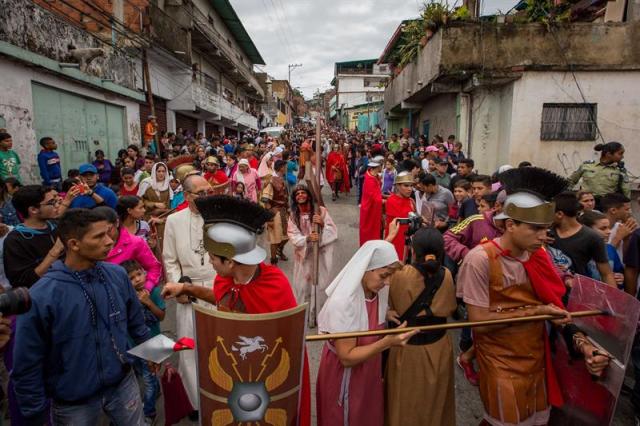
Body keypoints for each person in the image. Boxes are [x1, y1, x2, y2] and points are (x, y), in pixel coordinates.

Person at [457, 167, 610, 426]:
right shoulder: (480, 260)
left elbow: (559, 311)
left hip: (538, 359)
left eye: (547, 228)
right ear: (510, 224)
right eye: (536, 229)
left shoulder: (540, 256)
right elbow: (479, 323)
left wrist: (585, 347)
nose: (544, 236)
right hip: (499, 363)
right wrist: (536, 312)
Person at [162, 195, 311, 425]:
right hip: (231, 378)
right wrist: (186, 287)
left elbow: (284, 341)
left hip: (265, 380)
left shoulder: (274, 285)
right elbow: (223, 301)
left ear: (230, 262)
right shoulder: (226, 280)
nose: (209, 262)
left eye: (213, 258)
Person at [12, 208, 152, 425]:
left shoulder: (116, 275)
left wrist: (150, 352)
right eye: (98, 236)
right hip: (73, 400)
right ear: (74, 244)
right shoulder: (43, 295)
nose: (109, 241)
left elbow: (136, 322)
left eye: (108, 233)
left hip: (123, 383)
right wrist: (36, 414)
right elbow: (27, 362)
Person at [315, 240, 416, 426]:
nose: (387, 282)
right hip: (346, 375)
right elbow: (346, 357)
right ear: (365, 269)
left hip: (368, 369)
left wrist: (385, 312)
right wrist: (387, 342)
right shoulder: (344, 301)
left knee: (367, 414)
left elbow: (368, 310)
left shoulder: (375, 289)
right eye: (384, 275)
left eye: (390, 276)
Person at [386, 228, 457, 426]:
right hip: (439, 346)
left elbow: (391, 303)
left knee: (404, 402)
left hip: (406, 346)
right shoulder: (448, 275)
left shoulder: (399, 274)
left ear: (413, 250)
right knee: (436, 400)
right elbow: (450, 307)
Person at [161, 174, 215, 416]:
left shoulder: (221, 217)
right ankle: (194, 403)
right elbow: (170, 260)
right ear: (187, 195)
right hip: (188, 290)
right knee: (189, 349)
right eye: (200, 194)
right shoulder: (174, 221)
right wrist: (178, 286)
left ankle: (219, 396)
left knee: (219, 346)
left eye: (209, 192)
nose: (206, 198)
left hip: (218, 288)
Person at [120, 259, 165, 423]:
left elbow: (161, 315)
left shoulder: (153, 291)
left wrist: (148, 302)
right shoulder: (125, 297)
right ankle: (156, 389)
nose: (137, 279)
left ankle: (149, 413)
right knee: (142, 374)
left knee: (148, 381)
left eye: (139, 274)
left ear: (144, 272)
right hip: (132, 346)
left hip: (152, 345)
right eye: (132, 278)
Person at [287, 185, 338, 314]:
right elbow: (293, 235)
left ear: (308, 195)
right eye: (297, 194)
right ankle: (302, 312)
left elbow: (333, 231)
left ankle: (317, 312)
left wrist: (321, 224)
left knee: (319, 284)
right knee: (302, 285)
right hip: (303, 256)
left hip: (318, 255)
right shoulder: (293, 215)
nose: (300, 195)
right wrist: (308, 238)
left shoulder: (321, 211)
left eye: (303, 192)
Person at [549, 191, 615, 286]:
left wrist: (612, 298)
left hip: (576, 294)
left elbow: (607, 274)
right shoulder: (546, 232)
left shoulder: (592, 237)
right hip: (548, 293)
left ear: (559, 214)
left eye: (551, 212)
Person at [4, 185, 64, 288]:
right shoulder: (16, 241)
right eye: (51, 203)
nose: (57, 205)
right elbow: (22, 282)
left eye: (56, 201)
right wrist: (55, 251)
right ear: (33, 210)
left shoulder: (55, 225)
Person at [97, 206, 162, 291]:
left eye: (108, 230)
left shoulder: (135, 242)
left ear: (116, 222)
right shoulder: (92, 248)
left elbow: (154, 267)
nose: (105, 236)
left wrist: (147, 288)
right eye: (99, 233)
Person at [578, 210, 625, 288]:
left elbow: (619, 273)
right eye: (603, 228)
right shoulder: (576, 251)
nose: (609, 232)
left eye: (609, 228)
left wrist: (620, 279)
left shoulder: (610, 249)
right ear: (586, 230)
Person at [138, 162, 172, 251]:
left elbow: (173, 203)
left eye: (163, 171)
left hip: (165, 218)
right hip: (149, 217)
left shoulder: (170, 185)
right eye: (159, 171)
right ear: (154, 172)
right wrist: (154, 204)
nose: (161, 174)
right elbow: (141, 200)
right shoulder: (147, 184)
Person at [261, 160, 290, 265]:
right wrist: (269, 218)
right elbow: (265, 199)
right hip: (274, 212)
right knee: (274, 238)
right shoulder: (271, 180)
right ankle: (273, 260)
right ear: (281, 167)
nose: (286, 169)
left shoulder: (282, 179)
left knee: (287, 236)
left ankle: (279, 251)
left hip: (283, 211)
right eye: (285, 167)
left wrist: (289, 209)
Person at [384, 171, 416, 261]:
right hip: (396, 239)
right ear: (398, 186)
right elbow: (404, 219)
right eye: (406, 186)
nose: (410, 189)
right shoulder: (391, 200)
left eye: (411, 186)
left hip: (408, 238)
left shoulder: (411, 200)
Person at [359, 156, 383, 245]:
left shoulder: (374, 176)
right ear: (378, 166)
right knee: (369, 232)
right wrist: (385, 200)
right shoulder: (370, 179)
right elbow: (376, 199)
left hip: (372, 208)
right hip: (370, 209)